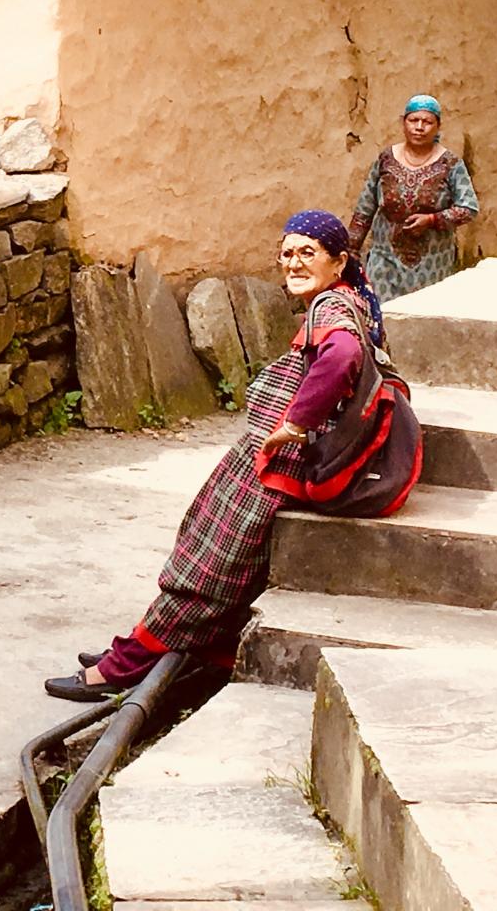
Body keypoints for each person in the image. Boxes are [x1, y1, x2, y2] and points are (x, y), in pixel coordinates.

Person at [44, 210, 421, 702]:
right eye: (287, 253)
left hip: (280, 465)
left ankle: (120, 668)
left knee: (206, 569)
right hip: (278, 462)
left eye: (308, 252)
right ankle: (157, 649)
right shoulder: (349, 300)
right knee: (216, 558)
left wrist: (296, 423)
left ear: (339, 261)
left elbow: (343, 356)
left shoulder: (332, 307)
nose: (294, 263)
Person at [348, 94, 479, 301]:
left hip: (431, 265)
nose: (419, 127)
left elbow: (469, 208)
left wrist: (432, 220)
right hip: (385, 261)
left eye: (427, 122)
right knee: (382, 312)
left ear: (438, 126)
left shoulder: (451, 164)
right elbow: (365, 207)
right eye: (413, 120)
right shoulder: (386, 159)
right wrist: (351, 251)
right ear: (403, 123)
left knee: (423, 314)